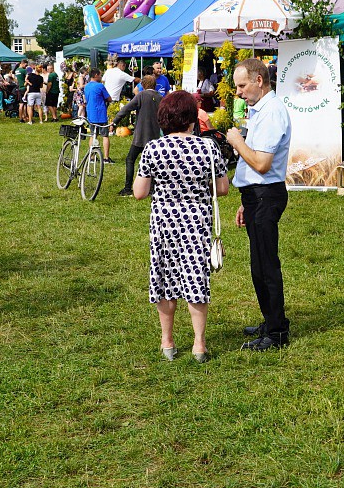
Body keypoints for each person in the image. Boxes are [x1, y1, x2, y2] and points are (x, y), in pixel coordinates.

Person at [133, 91, 229, 363]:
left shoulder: (153, 148)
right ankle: (199, 344)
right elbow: (222, 188)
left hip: (164, 224)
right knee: (196, 280)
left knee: (165, 281)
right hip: (197, 224)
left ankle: (168, 342)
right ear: (191, 118)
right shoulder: (209, 147)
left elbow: (139, 192)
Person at [225, 57, 292, 351]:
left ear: (259, 81)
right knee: (258, 266)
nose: (238, 92)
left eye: (241, 85)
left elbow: (262, 163)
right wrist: (246, 200)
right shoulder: (261, 110)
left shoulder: (272, 112)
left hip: (267, 193)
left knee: (266, 266)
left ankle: (277, 332)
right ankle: (271, 320)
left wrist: (236, 142)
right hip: (258, 195)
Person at [113, 75, 163, 197]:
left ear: (143, 85)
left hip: (141, 136)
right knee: (152, 164)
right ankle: (152, 189)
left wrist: (115, 121)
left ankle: (127, 187)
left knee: (130, 159)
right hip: (154, 137)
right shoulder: (160, 98)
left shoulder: (141, 95)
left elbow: (126, 109)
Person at [83, 67, 113, 162]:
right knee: (105, 135)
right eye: (100, 75)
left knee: (93, 135)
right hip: (100, 114)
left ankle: (92, 157)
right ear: (96, 75)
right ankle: (106, 157)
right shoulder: (100, 86)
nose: (101, 77)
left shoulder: (86, 86)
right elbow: (109, 98)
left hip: (90, 113)